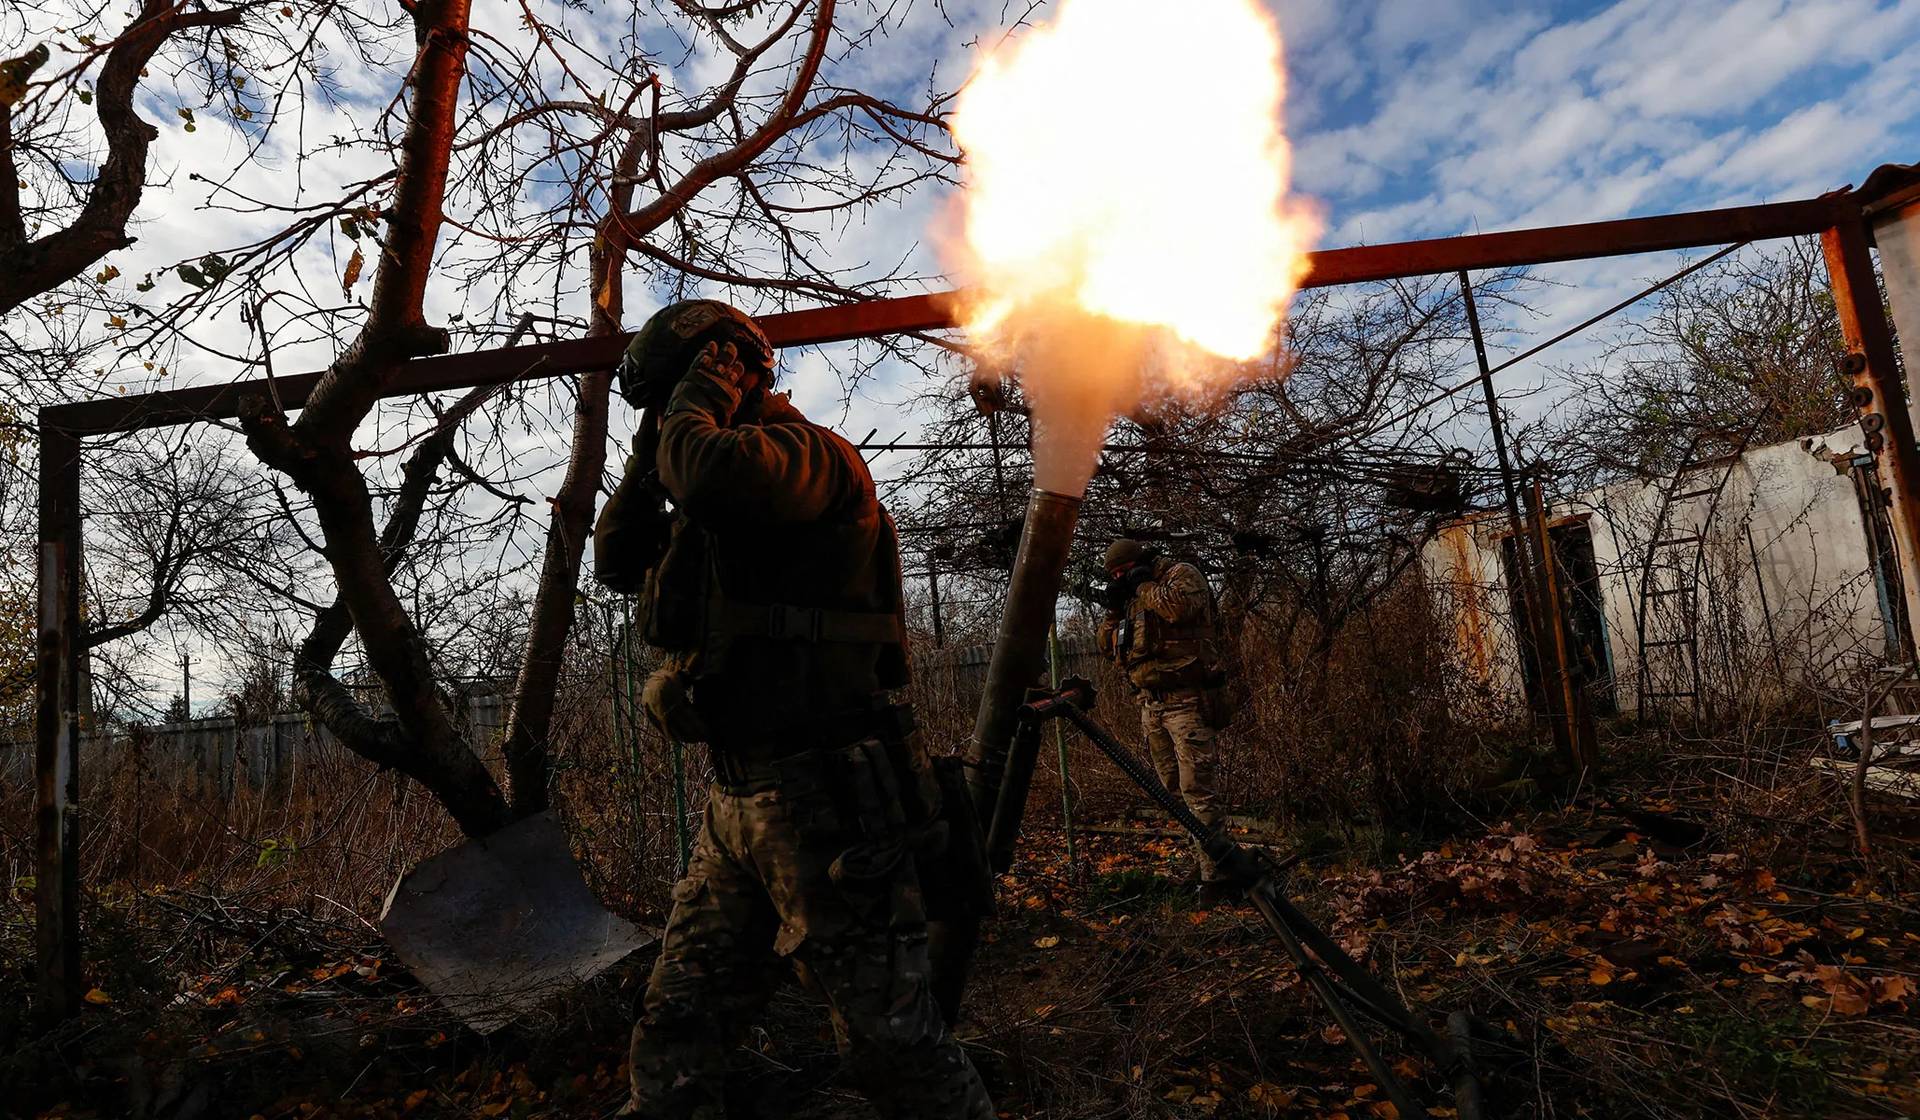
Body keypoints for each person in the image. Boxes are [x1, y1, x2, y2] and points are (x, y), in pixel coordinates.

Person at [594, 300, 993, 1119]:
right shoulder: (703, 482)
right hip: (737, 802)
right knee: (680, 1022)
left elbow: (714, 475)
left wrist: (698, 403)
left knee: (892, 1046)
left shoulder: (806, 456)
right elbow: (616, 560)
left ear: (728, 372)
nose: (670, 418)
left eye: (677, 396)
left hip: (828, 797)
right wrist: (644, 459)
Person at [1095, 537, 1234, 905]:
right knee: (1172, 792)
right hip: (1151, 704)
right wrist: (1113, 609)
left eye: (1123, 571)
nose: (1120, 578)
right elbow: (1106, 645)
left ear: (1140, 562)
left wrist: (1142, 584)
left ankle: (1218, 876)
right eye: (1114, 575)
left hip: (1187, 700)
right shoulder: (1130, 598)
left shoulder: (1180, 576)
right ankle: (1204, 863)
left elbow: (1178, 610)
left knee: (1197, 789)